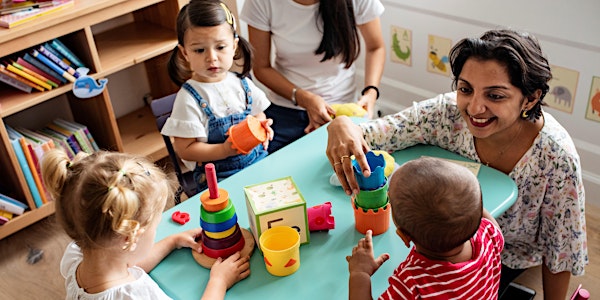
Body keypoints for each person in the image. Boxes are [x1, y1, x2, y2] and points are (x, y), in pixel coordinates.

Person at [327, 29, 587, 300]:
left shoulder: (557, 158)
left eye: (495, 96)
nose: (474, 108)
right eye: (465, 89)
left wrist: (359, 276)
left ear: (530, 98)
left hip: (507, 258)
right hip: (449, 248)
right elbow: (376, 132)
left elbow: (562, 250)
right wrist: (342, 124)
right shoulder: (444, 114)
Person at [41, 149, 250, 299]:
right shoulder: (137, 295)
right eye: (155, 226)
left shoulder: (77, 255)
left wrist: (172, 241)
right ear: (129, 237)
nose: (157, 231)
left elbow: (126, 263)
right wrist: (219, 282)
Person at [347, 157, 504, 299]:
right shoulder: (489, 235)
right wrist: (465, 200)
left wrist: (360, 273)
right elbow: (484, 218)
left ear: (404, 236)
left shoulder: (413, 283)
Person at [240, 0, 386, 153]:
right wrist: (303, 98)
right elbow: (261, 68)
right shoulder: (261, 3)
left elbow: (376, 47)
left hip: (341, 109)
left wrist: (371, 92)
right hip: (286, 108)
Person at [164, 0, 274, 192]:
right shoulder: (189, 98)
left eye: (220, 47)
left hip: (258, 163)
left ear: (234, 46)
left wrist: (261, 127)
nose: (212, 57)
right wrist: (224, 150)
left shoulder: (242, 83)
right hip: (218, 180)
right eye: (199, 50)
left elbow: (259, 114)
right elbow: (185, 149)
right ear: (184, 53)